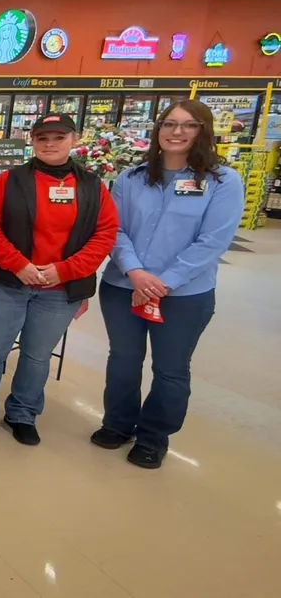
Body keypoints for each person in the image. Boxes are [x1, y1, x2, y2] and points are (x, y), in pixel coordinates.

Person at [0, 114, 119, 445]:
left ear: (74, 140)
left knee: (36, 356)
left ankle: (23, 413)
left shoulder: (92, 187)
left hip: (62, 290)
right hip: (10, 283)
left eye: (58, 137)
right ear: (32, 141)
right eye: (42, 137)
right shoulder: (10, 181)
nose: (50, 144)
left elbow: (105, 234)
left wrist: (65, 269)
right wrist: (17, 264)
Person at [90, 99, 244, 469]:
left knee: (171, 368)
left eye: (189, 125)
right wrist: (136, 272)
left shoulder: (222, 182)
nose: (177, 132)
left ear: (204, 131)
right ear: (158, 130)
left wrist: (164, 282)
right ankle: (118, 423)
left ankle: (153, 436)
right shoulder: (133, 177)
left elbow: (212, 241)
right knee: (124, 359)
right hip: (124, 287)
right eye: (169, 124)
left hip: (185, 296)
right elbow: (115, 228)